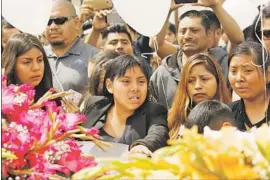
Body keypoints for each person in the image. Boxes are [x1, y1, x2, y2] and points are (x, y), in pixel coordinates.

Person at [150, 0, 244, 109]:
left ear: (209, 34)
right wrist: (167, 11)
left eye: (194, 30)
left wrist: (216, 6)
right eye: (182, 31)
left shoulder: (223, 63)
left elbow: (238, 40)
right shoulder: (165, 71)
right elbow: (155, 44)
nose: (187, 36)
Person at [81, 55, 169, 155]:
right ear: (109, 85)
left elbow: (158, 134)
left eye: (141, 82)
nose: (135, 88)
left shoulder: (155, 111)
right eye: (126, 81)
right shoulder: (94, 105)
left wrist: (143, 146)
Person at [168, 53, 231, 139]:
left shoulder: (232, 114)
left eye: (204, 79)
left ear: (217, 80)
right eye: (190, 81)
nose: (197, 86)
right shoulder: (174, 118)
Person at [44, 0, 99, 93]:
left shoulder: (95, 57)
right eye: (48, 22)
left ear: (77, 23)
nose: (53, 27)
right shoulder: (36, 56)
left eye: (59, 20)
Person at [228, 41, 270, 131]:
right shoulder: (227, 114)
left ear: (267, 74)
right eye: (233, 71)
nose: (239, 78)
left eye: (247, 70)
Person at [2, 33, 53, 102]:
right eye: (27, 62)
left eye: (40, 60)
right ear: (12, 64)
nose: (36, 68)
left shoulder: (53, 98)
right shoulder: (4, 101)